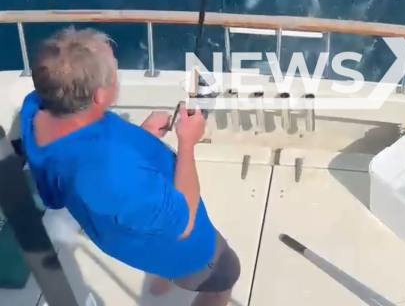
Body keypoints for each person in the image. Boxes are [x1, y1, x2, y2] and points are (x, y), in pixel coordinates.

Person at [20, 28, 240, 306]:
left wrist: (143, 135)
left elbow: (55, 195)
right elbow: (183, 225)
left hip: (127, 232)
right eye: (114, 72)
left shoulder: (35, 108)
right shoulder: (113, 172)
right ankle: (175, 275)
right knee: (225, 276)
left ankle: (164, 277)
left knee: (157, 243)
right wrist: (187, 143)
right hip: (185, 251)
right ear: (100, 96)